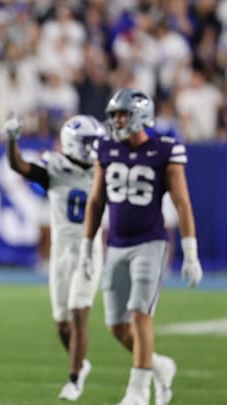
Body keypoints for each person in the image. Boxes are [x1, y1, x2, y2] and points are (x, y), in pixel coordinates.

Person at [77, 88, 203, 405]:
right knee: (116, 326)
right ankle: (158, 365)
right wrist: (86, 245)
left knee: (139, 315)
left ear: (142, 115)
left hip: (151, 242)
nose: (118, 120)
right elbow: (95, 200)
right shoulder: (106, 148)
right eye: (114, 115)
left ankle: (137, 392)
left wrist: (190, 251)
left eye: (123, 114)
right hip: (116, 244)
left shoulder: (165, 149)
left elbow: (182, 202)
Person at [4, 113, 105, 401]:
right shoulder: (56, 166)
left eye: (94, 142)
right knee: (62, 322)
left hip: (89, 249)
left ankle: (73, 380)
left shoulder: (104, 168)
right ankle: (81, 364)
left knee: (78, 312)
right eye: (87, 142)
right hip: (61, 251)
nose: (92, 148)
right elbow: (19, 166)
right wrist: (12, 140)